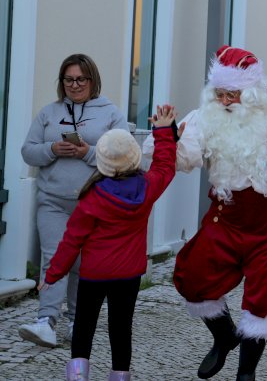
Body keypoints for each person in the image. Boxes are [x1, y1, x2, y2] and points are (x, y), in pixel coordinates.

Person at [144, 45, 267, 380]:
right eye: (219, 93)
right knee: (193, 277)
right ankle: (224, 338)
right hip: (227, 217)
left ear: (251, 92)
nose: (224, 101)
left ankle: (246, 373)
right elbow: (181, 157)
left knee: (263, 302)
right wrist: (165, 135)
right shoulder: (205, 117)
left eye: (232, 94)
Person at [41, 105, 179, 381]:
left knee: (84, 325)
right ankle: (120, 376)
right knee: (120, 327)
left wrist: (53, 274)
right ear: (135, 158)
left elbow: (71, 241)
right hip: (128, 276)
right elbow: (165, 165)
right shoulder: (147, 188)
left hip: (94, 274)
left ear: (101, 161)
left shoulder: (91, 198)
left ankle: (78, 376)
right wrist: (163, 130)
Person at [19, 54, 128, 348]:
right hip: (53, 201)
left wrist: (88, 153)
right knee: (54, 258)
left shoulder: (111, 114)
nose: (75, 85)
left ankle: (77, 322)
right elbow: (28, 152)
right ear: (61, 82)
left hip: (94, 202)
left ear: (92, 80)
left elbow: (124, 157)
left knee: (83, 264)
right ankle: (46, 322)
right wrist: (52, 148)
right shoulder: (48, 113)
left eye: (81, 79)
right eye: (69, 79)